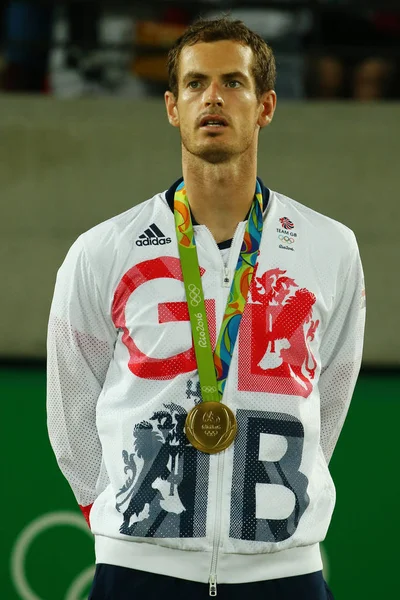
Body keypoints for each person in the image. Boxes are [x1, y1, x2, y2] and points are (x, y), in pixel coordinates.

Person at [47, 17, 365, 600]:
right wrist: (121, 525)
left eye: (233, 83)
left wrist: (275, 517)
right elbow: (71, 406)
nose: (212, 97)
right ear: (172, 106)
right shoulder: (103, 251)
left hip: (284, 572)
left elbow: (331, 391)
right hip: (139, 568)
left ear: (266, 105)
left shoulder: (329, 248)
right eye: (195, 84)